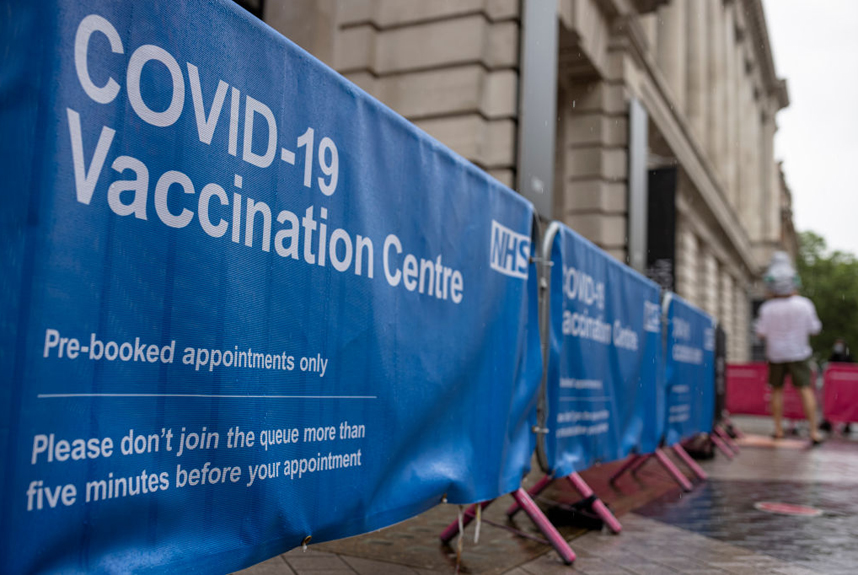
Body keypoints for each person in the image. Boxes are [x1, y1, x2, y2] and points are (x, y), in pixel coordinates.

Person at [754, 252, 823, 445]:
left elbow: (760, 333)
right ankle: (814, 431)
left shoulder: (767, 308)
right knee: (805, 389)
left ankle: (778, 430)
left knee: (777, 390)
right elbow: (815, 329)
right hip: (799, 352)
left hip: (776, 354)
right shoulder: (804, 304)